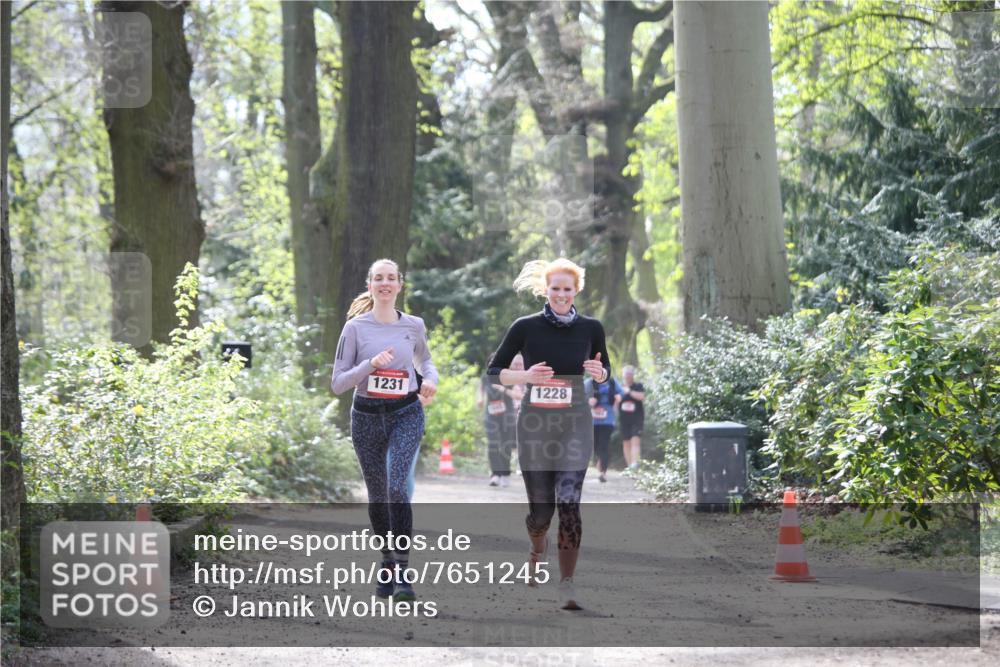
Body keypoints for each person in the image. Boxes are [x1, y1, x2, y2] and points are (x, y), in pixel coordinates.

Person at [487, 258, 611, 610]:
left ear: (576, 291)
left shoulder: (591, 327)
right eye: (554, 288)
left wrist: (598, 373)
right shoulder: (525, 327)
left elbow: (606, 369)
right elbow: (494, 371)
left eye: (567, 289)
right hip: (535, 424)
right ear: (546, 289)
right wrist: (525, 377)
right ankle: (536, 544)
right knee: (541, 512)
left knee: (569, 501)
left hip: (575, 421)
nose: (560, 294)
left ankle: (568, 584)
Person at [330, 258, 438, 602]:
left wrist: (431, 380)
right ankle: (387, 561)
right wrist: (369, 365)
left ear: (400, 285)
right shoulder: (355, 329)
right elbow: (337, 383)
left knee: (396, 487)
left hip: (406, 412)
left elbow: (426, 361)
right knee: (378, 496)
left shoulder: (414, 325)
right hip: (365, 416)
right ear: (370, 285)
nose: (385, 283)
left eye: (391, 278)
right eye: (379, 278)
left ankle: (404, 572)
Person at [478, 353, 524, 487]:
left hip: (507, 416)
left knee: (506, 445)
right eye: (491, 361)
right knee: (493, 444)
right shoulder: (485, 378)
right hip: (491, 416)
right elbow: (480, 392)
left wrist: (503, 389)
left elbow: (518, 395)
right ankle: (495, 474)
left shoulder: (508, 377)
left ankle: (505, 474)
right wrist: (479, 399)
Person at [585, 373, 623, 483]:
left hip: (608, 419)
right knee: (596, 445)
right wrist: (588, 401)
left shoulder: (612, 382)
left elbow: (621, 393)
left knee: (604, 444)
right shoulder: (589, 383)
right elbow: (579, 395)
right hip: (593, 420)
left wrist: (619, 397)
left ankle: (603, 473)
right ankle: (601, 460)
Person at [619, 365, 646, 470]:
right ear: (623, 375)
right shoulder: (619, 387)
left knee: (635, 440)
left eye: (630, 374)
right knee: (626, 442)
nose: (628, 376)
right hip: (624, 419)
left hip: (637, 418)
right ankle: (629, 466)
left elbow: (642, 397)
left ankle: (635, 464)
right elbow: (616, 402)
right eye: (626, 374)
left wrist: (629, 391)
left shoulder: (638, 386)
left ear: (633, 375)